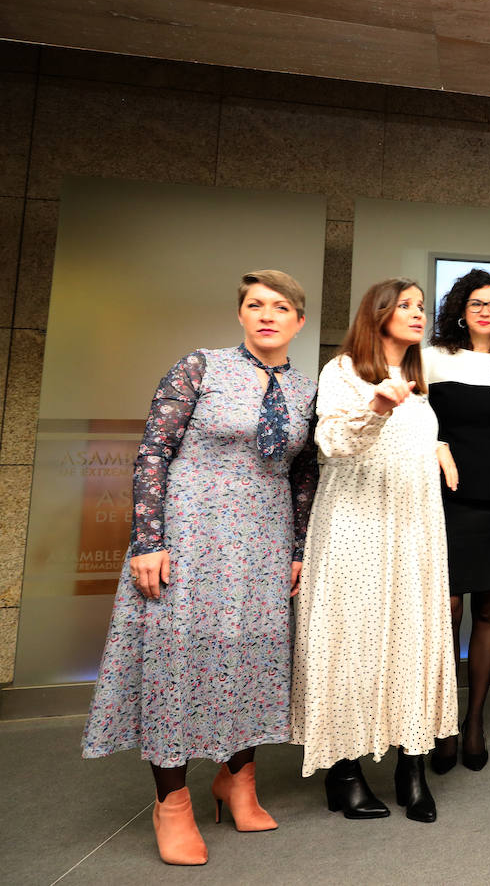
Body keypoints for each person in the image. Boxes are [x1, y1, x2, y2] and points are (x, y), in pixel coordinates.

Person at [81, 271, 318, 866]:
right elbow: (154, 449)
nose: (267, 315)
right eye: (255, 305)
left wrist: (297, 549)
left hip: (263, 540)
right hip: (191, 533)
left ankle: (237, 780)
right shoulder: (201, 367)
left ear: (299, 322)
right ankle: (173, 803)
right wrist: (148, 540)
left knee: (252, 655)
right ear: (240, 315)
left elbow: (304, 475)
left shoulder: (308, 391)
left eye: (280, 307)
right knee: (178, 659)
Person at [291, 278, 458, 823]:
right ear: (378, 313)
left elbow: (413, 435)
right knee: (351, 640)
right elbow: (334, 444)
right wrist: (378, 408)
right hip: (356, 526)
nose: (417, 314)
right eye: (405, 305)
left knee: (413, 638)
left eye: (420, 307)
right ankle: (344, 772)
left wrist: (439, 445)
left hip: (414, 526)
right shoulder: (342, 372)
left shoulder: (416, 376)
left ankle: (413, 769)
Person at [423, 269, 490, 774]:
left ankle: (474, 721)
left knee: (489, 609)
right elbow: (415, 424)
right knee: (447, 610)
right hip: (444, 498)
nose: (485, 310)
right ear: (460, 310)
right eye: (476, 303)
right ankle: (441, 722)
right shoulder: (431, 358)